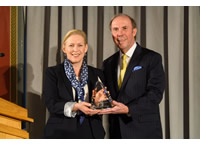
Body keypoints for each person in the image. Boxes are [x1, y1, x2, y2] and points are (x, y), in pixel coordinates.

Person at [99, 13, 165, 139]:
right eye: (115, 29)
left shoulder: (151, 58)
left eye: (124, 28)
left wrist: (128, 108)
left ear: (134, 31)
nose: (120, 33)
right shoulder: (108, 63)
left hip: (144, 132)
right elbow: (104, 94)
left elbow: (155, 93)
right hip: (116, 133)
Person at [43, 29, 105, 138]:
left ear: (85, 48)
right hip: (61, 131)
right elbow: (51, 103)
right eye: (71, 45)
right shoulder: (53, 73)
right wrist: (76, 106)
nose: (75, 50)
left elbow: (102, 105)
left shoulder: (97, 73)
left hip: (91, 130)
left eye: (80, 45)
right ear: (64, 48)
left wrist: (98, 103)